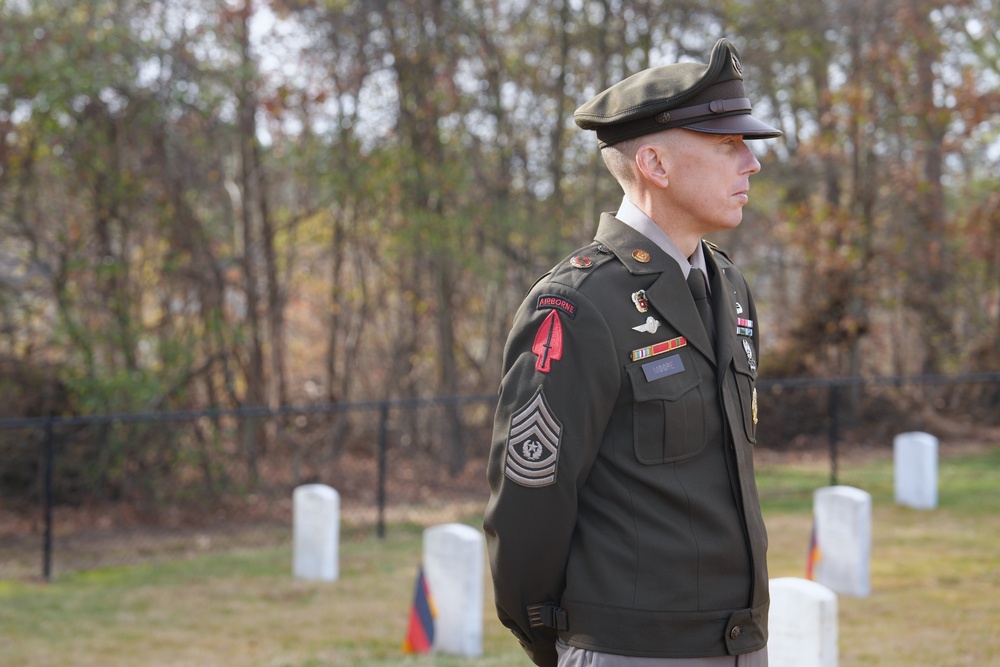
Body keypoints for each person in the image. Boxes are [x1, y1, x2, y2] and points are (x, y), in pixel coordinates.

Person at [483, 38, 781, 667]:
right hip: (631, 652)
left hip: (738, 647)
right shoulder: (577, 304)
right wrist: (557, 641)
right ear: (655, 163)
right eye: (728, 145)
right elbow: (529, 506)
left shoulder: (727, 287)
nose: (751, 162)